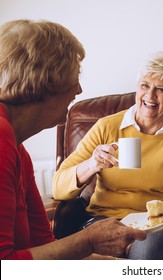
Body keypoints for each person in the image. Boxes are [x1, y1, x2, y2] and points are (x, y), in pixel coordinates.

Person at [0, 19, 146, 260]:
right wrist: (88, 241)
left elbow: (42, 242)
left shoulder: (18, 149)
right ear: (48, 79)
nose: (79, 89)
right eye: (74, 76)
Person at [52, 51, 163, 260]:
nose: (150, 96)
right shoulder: (106, 126)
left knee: (145, 250)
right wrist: (92, 165)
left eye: (160, 89)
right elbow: (58, 187)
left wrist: (147, 223)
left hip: (162, 225)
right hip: (106, 219)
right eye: (144, 86)